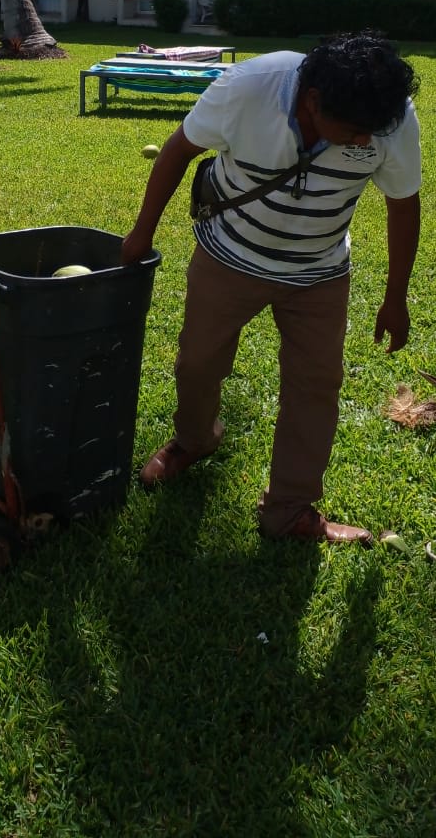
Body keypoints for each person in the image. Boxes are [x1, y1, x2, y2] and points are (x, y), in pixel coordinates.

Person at [122, 32, 421, 545]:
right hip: (229, 255)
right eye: (352, 132)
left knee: (315, 385)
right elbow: (177, 150)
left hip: (318, 272)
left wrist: (396, 296)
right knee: (197, 363)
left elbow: (403, 203)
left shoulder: (386, 117)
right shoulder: (250, 87)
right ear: (313, 101)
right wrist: (141, 233)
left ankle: (290, 507)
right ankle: (194, 441)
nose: (363, 144)